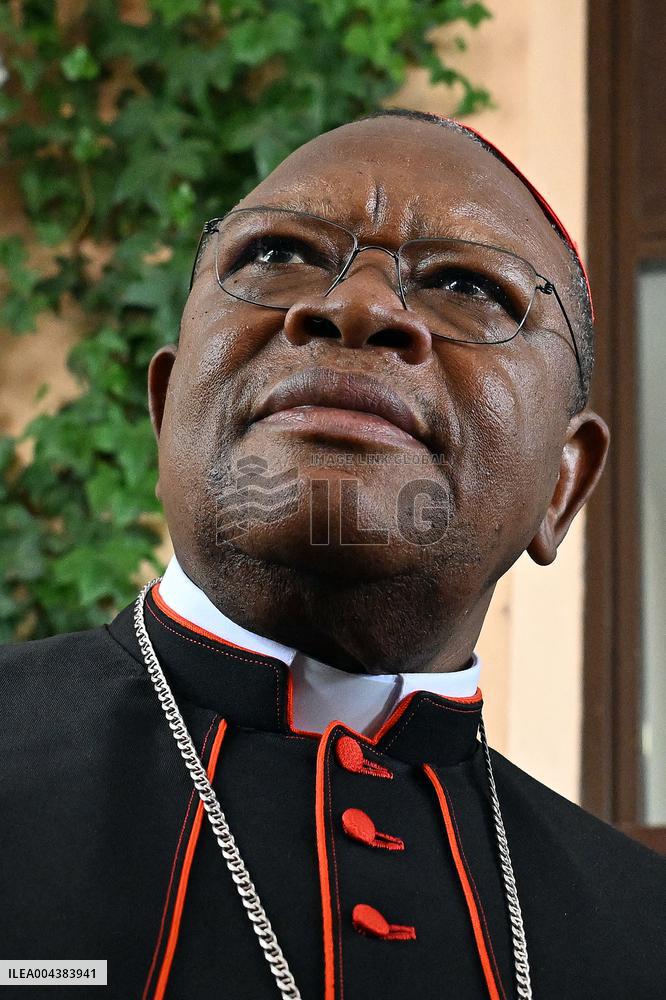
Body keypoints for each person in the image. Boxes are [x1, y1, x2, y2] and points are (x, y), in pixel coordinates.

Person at [1, 109, 664, 1000]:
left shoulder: (643, 930)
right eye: (277, 255)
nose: (354, 306)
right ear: (165, 417)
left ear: (562, 489)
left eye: (468, 284)